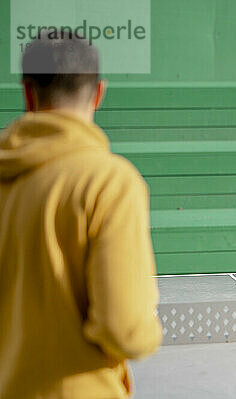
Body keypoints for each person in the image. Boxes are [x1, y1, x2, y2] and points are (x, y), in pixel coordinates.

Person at [0, 31, 162, 398]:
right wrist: (148, 324)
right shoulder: (108, 182)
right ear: (99, 93)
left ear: (27, 92)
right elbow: (126, 330)